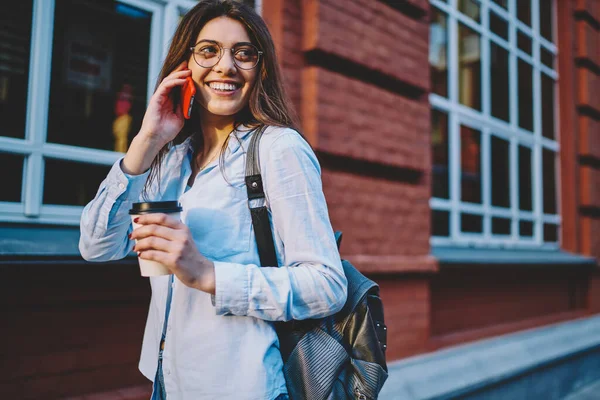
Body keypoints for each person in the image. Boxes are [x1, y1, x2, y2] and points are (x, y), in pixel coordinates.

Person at [79, 1, 348, 399]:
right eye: (208, 50)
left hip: (241, 386)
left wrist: (208, 274)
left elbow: (327, 285)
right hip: (167, 382)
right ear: (185, 64)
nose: (225, 66)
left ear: (261, 69)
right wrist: (147, 140)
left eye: (244, 53)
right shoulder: (170, 158)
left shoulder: (278, 148)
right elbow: (97, 247)